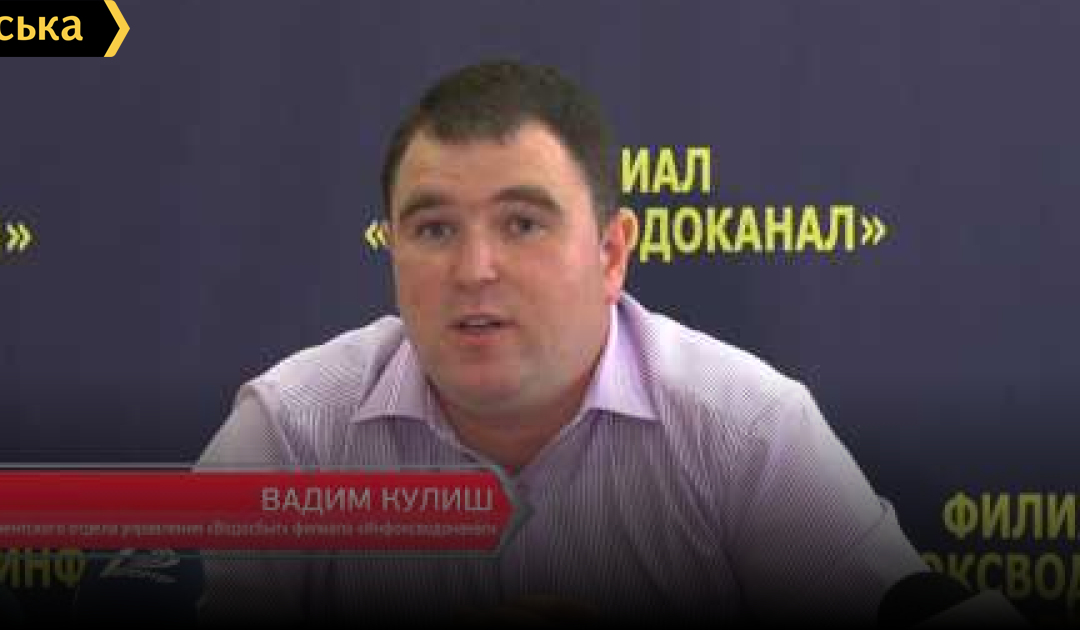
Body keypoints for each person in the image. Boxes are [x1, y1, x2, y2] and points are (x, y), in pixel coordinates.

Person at [196, 60, 928, 626]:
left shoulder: (748, 429)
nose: (474, 270)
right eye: (434, 229)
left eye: (522, 224)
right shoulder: (290, 431)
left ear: (612, 254)